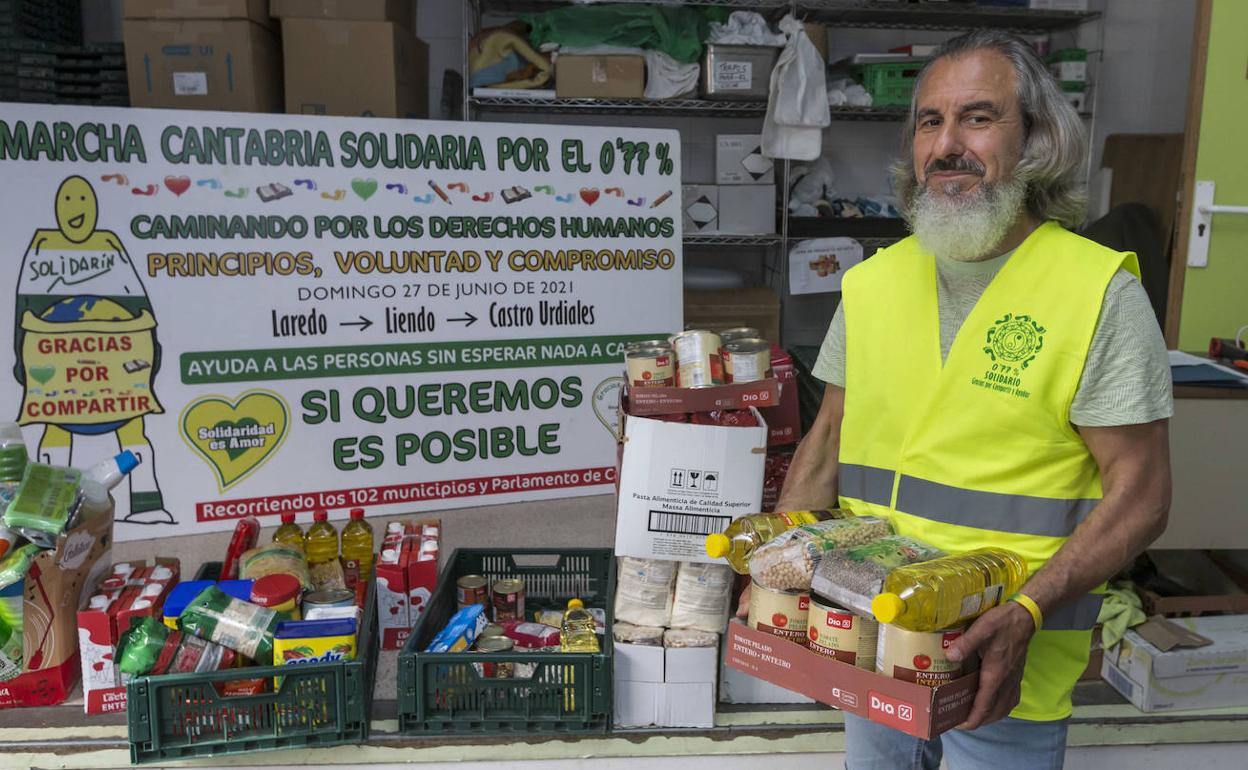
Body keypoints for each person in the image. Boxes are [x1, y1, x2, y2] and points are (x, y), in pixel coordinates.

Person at [747, 30, 1173, 769]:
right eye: (929, 121)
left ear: (1034, 139)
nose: (948, 144)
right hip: (873, 635)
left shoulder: (1098, 292)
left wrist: (1030, 610)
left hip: (1006, 662)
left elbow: (1142, 493)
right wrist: (776, 572)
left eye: (978, 118)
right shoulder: (872, 283)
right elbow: (827, 439)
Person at [13, 175, 174, 524]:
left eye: (83, 200)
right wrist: (21, 362)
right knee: (54, 432)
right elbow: (23, 314)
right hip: (58, 369)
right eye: (68, 200)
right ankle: (52, 517)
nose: (76, 209)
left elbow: (143, 311)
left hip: (120, 370)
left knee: (133, 432)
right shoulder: (42, 246)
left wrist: (151, 358)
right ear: (57, 208)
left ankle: (147, 505)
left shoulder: (110, 245)